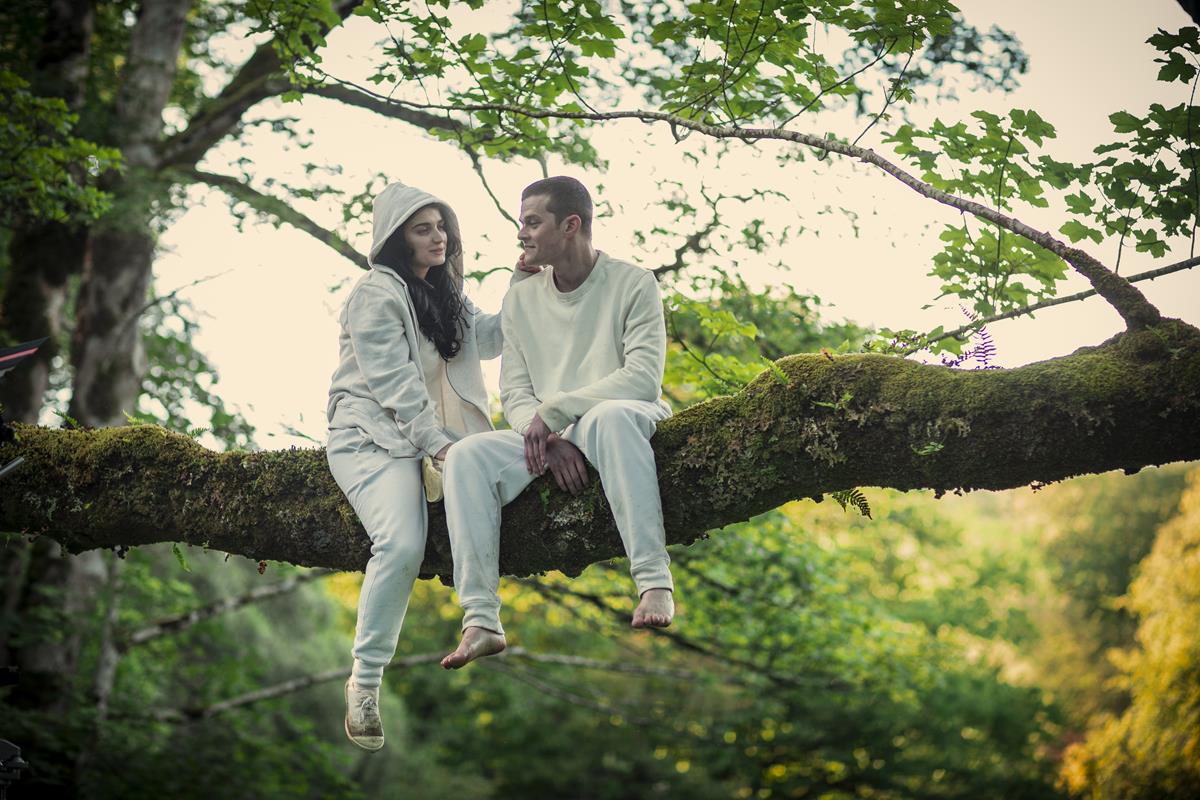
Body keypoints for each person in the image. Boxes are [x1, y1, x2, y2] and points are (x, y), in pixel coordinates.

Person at [325, 182, 537, 750]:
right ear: (397, 238)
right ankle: (364, 683)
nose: (438, 237)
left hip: (438, 442)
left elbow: (490, 339)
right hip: (373, 437)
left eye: (442, 226)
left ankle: (482, 619)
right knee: (400, 544)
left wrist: (524, 282)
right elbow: (393, 385)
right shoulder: (376, 292)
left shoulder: (446, 294)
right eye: (423, 228)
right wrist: (441, 448)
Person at [440, 176, 676, 670]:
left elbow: (641, 380)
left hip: (618, 416)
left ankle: (654, 583)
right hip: (548, 433)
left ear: (571, 225)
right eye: (520, 222)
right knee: (466, 456)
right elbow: (517, 393)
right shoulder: (523, 298)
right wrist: (545, 435)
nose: (521, 233)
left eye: (532, 222)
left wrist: (557, 414)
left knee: (610, 418)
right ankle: (481, 620)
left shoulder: (634, 283)